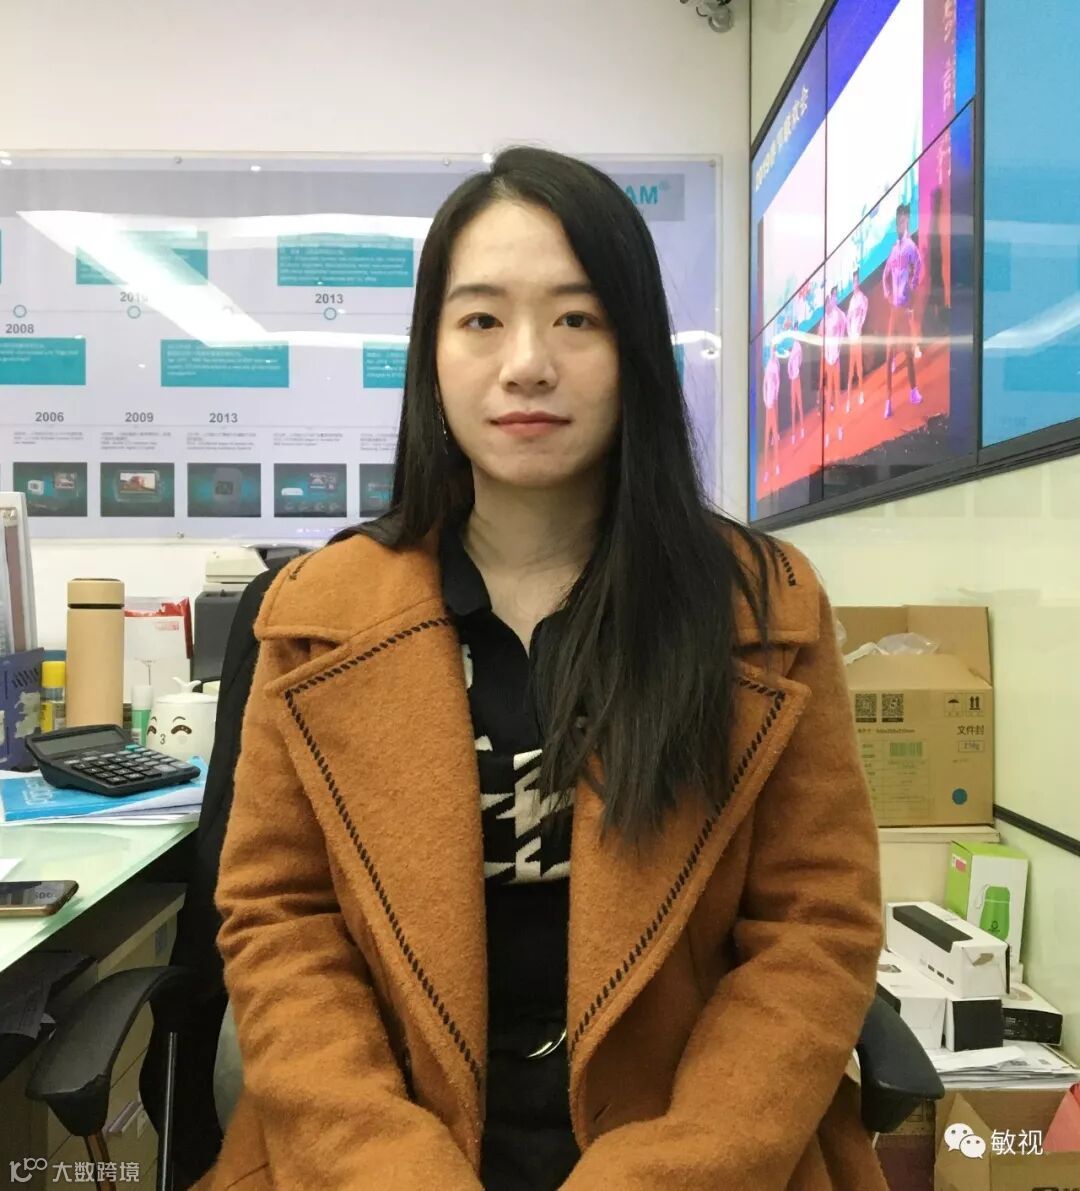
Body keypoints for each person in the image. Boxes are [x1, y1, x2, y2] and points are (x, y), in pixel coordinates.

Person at [195, 146, 885, 1191]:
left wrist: (668, 1172)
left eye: (577, 318)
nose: (527, 363)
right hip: (375, 1154)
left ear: (635, 348)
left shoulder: (760, 608)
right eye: (482, 319)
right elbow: (280, 923)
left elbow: (813, 929)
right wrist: (389, 1168)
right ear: (431, 354)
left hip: (695, 1152)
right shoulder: (315, 616)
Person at [882, 202, 923, 419]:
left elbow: (920, 265)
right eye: (898, 220)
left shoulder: (910, 247)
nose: (900, 224)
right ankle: (888, 401)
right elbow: (885, 274)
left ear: (907, 221)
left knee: (907, 351)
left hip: (904, 307)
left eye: (903, 220)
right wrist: (887, 292)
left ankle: (913, 391)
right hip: (893, 311)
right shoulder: (893, 250)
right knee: (889, 354)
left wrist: (912, 285)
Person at [822, 288, 847, 444]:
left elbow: (843, 331)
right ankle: (827, 433)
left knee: (837, 396)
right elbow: (821, 335)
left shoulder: (839, 316)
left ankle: (839, 427)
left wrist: (838, 348)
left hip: (835, 360)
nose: (828, 306)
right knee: (828, 396)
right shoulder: (825, 319)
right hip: (827, 361)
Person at [845, 269, 869, 412]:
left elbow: (864, 312)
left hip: (858, 337)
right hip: (852, 339)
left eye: (856, 281)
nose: (855, 284)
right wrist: (849, 332)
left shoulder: (862, 298)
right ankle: (848, 401)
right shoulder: (851, 301)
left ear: (859, 282)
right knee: (850, 370)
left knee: (859, 367)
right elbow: (848, 319)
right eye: (853, 282)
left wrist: (860, 325)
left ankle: (861, 394)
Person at [779, 317, 804, 445]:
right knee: (793, 405)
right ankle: (794, 432)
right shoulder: (792, 347)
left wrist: (795, 371)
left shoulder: (798, 347)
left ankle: (801, 429)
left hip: (796, 378)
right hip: (793, 378)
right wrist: (791, 373)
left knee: (798, 403)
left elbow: (799, 360)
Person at [762, 337, 782, 479]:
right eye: (772, 349)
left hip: (773, 404)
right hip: (768, 405)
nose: (773, 352)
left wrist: (774, 397)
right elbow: (764, 384)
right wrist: (765, 400)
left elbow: (778, 382)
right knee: (766, 439)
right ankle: (766, 470)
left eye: (774, 350)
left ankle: (776, 465)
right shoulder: (769, 365)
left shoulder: (777, 365)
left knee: (775, 435)